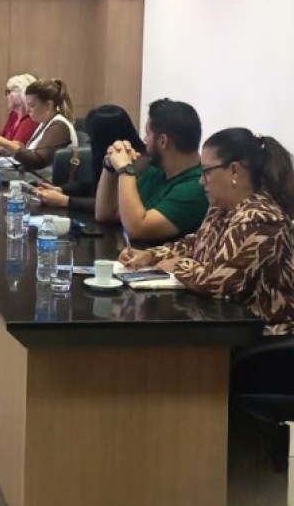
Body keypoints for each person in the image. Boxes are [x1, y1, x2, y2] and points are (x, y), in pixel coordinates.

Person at [121, 128, 294, 335]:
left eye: (207, 171)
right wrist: (151, 256)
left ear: (234, 171)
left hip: (263, 334)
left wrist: (178, 265)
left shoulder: (259, 218)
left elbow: (219, 282)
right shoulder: (221, 208)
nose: (201, 180)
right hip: (226, 325)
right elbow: (194, 244)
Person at [96, 98, 208, 241]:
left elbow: (136, 229)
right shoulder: (156, 172)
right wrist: (110, 164)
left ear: (163, 141)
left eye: (148, 134)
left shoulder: (197, 187)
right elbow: (107, 214)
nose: (144, 139)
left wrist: (125, 169)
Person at [35, 105, 145, 212]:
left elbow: (111, 206)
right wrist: (61, 189)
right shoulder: (108, 155)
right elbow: (94, 185)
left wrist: (65, 201)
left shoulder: (137, 163)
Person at [0, 78, 77, 177]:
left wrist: (6, 143)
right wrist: (9, 148)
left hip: (47, 182)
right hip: (36, 178)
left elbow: (38, 160)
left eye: (32, 106)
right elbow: (32, 153)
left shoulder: (59, 126)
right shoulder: (44, 123)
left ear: (48, 105)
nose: (28, 110)